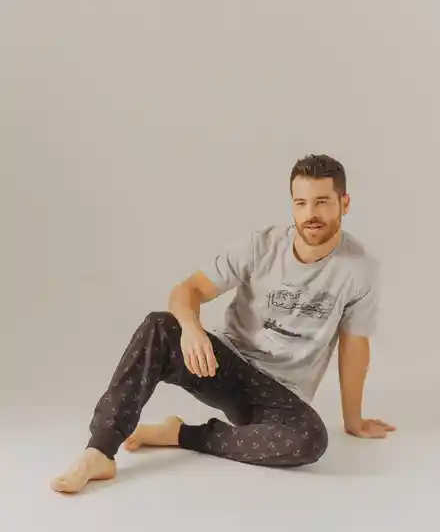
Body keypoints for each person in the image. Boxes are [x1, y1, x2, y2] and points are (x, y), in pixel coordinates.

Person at [51, 154, 396, 494]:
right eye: (301, 203)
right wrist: (191, 329)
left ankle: (180, 435)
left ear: (344, 203)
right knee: (159, 326)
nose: (310, 215)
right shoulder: (261, 245)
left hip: (281, 393)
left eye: (322, 202)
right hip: (224, 367)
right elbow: (187, 290)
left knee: (310, 440)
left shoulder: (359, 270)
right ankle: (100, 451)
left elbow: (354, 347)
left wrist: (354, 420)